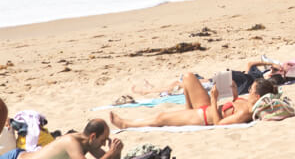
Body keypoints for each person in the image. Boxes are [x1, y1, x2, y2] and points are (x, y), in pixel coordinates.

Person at [108, 75, 279, 129]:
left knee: (161, 117)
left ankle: (126, 124)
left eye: (251, 90)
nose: (248, 91)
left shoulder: (245, 113)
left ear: (257, 97)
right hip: (208, 107)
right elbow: (231, 106)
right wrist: (234, 94)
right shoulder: (246, 104)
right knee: (189, 78)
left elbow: (219, 123)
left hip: (204, 116)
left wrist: (213, 99)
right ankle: (186, 109)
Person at [5, 120, 120, 159]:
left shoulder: (89, 144)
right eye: (103, 140)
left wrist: (116, 152)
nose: (104, 144)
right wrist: (110, 153)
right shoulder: (71, 141)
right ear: (93, 137)